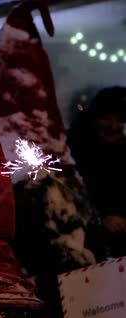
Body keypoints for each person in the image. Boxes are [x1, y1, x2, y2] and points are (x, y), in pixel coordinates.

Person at [68, 85, 126, 258]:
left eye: (120, 120)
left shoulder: (123, 149)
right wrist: (100, 219)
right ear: (94, 118)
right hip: (82, 244)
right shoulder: (74, 148)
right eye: (107, 118)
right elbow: (69, 195)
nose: (113, 126)